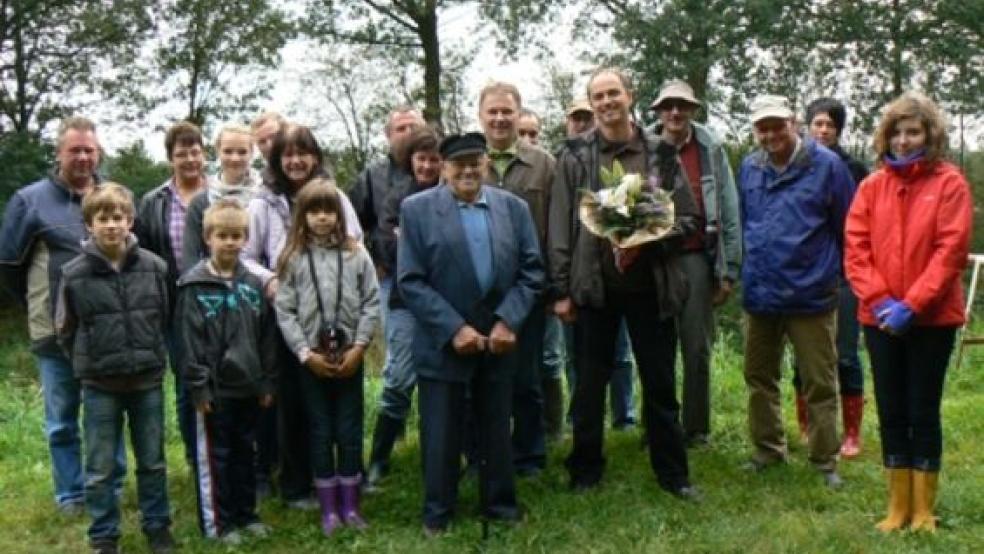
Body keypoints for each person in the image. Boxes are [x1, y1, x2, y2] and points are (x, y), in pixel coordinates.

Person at [549, 67, 698, 498]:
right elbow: (560, 224)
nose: (607, 102)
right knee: (589, 388)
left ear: (629, 96)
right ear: (591, 103)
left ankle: (674, 476)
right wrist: (560, 290)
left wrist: (645, 238)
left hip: (651, 290)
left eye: (614, 93)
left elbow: (687, 218)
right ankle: (586, 470)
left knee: (660, 385)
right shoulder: (574, 155)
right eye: (599, 96)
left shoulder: (661, 153)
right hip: (594, 290)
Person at [397, 133, 544, 534]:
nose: (467, 170)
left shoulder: (513, 209)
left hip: (497, 339)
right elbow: (410, 280)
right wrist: (454, 328)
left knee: (496, 426)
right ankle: (438, 512)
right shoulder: (416, 210)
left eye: (474, 162)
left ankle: (500, 505)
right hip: (443, 340)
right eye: (457, 163)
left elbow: (532, 272)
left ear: (485, 164)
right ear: (443, 168)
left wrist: (507, 321)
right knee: (441, 431)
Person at [844, 92, 972, 532]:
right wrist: (881, 301)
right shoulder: (870, 187)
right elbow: (856, 249)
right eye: (896, 132)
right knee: (892, 408)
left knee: (923, 408)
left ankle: (923, 510)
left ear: (929, 135)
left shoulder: (950, 184)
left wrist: (912, 305)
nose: (902, 140)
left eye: (912, 131)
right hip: (879, 319)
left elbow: (950, 250)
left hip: (932, 319)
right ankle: (897, 507)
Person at [0, 116, 125, 515]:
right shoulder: (29, 201)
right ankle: (71, 494)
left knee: (107, 415)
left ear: (99, 151)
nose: (84, 157)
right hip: (53, 335)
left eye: (90, 149)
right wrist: (40, 306)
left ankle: (113, 485)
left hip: (106, 332)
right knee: (62, 419)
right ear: (59, 153)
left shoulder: (114, 198)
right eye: (75, 150)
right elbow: (8, 267)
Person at [737, 94, 855, 488]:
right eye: (762, 127)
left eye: (777, 124)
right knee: (759, 377)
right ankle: (768, 450)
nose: (770, 134)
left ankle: (825, 461)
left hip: (812, 297)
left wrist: (835, 278)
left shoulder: (829, 166)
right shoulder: (749, 168)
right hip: (760, 294)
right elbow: (743, 223)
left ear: (794, 123)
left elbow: (847, 228)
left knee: (819, 381)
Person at [242, 123, 362, 509]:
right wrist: (272, 280)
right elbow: (245, 257)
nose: (295, 161)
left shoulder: (335, 196)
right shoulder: (263, 202)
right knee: (294, 403)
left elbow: (355, 241)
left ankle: (340, 479)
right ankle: (297, 484)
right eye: (287, 155)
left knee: (338, 405)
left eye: (302, 153)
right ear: (277, 160)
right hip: (287, 313)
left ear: (315, 157)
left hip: (334, 312)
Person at [55, 183, 174, 554]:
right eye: (102, 218)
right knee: (101, 466)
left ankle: (158, 527)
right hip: (100, 384)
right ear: (89, 224)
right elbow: (65, 328)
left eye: (118, 217)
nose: (111, 225)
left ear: (130, 221)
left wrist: (150, 352)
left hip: (146, 379)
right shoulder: (74, 274)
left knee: (152, 460)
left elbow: (164, 316)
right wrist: (90, 360)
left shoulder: (154, 267)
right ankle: (104, 534)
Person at [275, 180, 380, 535]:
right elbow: (285, 310)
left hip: (350, 354)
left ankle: (351, 506)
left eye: (329, 211)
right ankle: (329, 510)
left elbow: (371, 301)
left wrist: (360, 345)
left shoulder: (356, 254)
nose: (322, 218)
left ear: (339, 214)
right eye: (314, 211)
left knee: (349, 430)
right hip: (312, 360)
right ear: (301, 217)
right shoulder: (291, 258)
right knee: (320, 431)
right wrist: (304, 354)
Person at [177, 199, 278, 545]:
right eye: (223, 236)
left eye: (237, 236)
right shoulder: (193, 285)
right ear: (208, 237)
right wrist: (199, 388)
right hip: (215, 392)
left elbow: (266, 336)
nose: (230, 243)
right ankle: (218, 524)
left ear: (246, 239)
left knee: (244, 454)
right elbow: (188, 343)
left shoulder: (252, 284)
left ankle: (246, 514)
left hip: (249, 387)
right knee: (215, 460)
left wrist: (266, 380)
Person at [649, 80, 742, 447]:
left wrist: (729, 269)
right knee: (656, 348)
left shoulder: (710, 147)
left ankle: (696, 428)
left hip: (696, 257)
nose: (675, 112)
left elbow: (729, 207)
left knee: (696, 346)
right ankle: (658, 425)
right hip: (653, 259)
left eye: (682, 105)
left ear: (693, 110)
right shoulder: (644, 146)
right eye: (668, 106)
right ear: (658, 111)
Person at [479, 81, 555, 475]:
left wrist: (556, 287)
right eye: (492, 111)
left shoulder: (544, 163)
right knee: (482, 379)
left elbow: (557, 228)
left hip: (529, 290)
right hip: (479, 292)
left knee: (527, 378)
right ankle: (483, 454)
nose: (500, 118)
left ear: (518, 112)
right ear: (481, 116)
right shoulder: (468, 163)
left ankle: (529, 455)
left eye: (507, 111)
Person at [553, 97, 637, 434]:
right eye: (576, 118)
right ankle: (582, 421)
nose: (582, 122)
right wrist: (561, 283)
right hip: (581, 275)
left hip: (625, 273)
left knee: (621, 353)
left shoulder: (625, 154)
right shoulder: (565, 158)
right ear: (567, 122)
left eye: (586, 117)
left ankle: (624, 415)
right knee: (581, 359)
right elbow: (559, 222)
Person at [791, 97, 870, 457]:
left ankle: (851, 432)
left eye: (830, 125)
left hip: (844, 273)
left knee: (846, 352)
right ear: (807, 126)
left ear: (839, 129)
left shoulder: (853, 169)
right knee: (803, 355)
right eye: (817, 123)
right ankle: (807, 423)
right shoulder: (794, 164)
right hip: (802, 274)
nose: (823, 130)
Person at [366, 126, 443, 487]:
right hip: (406, 300)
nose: (427, 166)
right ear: (411, 160)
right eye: (421, 158)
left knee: (446, 378)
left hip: (449, 301)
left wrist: (417, 243)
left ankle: (449, 452)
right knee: (399, 376)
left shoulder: (452, 195)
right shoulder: (397, 199)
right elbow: (389, 248)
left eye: (434, 159)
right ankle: (380, 457)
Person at [135, 121, 209, 464]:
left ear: (204, 154)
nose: (190, 159)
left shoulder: (220, 193)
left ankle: (229, 453)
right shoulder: (153, 202)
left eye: (195, 151)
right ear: (170, 159)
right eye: (182, 153)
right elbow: (143, 253)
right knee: (186, 382)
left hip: (220, 300)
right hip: (175, 305)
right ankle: (197, 458)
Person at [182, 124, 262, 266]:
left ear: (252, 153)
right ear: (218, 152)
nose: (235, 158)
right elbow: (191, 258)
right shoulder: (200, 203)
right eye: (228, 151)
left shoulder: (264, 198)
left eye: (242, 152)